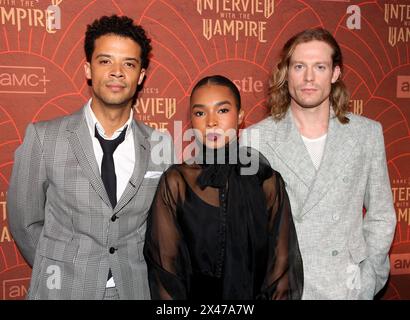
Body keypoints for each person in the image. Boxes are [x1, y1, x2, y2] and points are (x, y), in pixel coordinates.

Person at [7, 15, 173, 300]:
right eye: (105, 61)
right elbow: (24, 222)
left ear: (141, 76)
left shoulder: (161, 144)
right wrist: (61, 266)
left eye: (129, 64)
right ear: (88, 69)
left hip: (134, 290)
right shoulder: (45, 137)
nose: (117, 72)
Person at [241, 28, 396, 299]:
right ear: (286, 72)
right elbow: (245, 227)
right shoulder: (255, 139)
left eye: (320, 67)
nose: (309, 77)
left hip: (346, 286)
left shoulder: (366, 134)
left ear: (335, 73)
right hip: (284, 288)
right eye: (299, 66)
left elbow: (382, 215)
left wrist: (368, 276)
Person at [143, 75, 303, 300]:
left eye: (222, 110)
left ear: (240, 116)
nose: (211, 122)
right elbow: (164, 271)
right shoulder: (175, 183)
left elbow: (281, 269)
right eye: (200, 113)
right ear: (191, 121)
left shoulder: (265, 181)